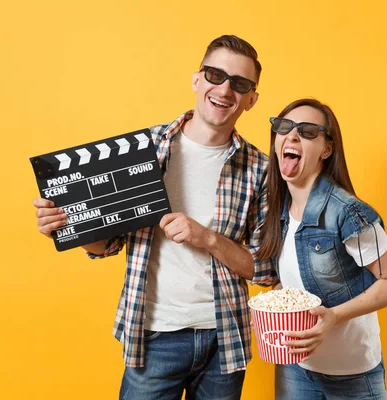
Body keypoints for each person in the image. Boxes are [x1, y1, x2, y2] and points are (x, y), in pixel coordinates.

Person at [33, 35, 276, 400]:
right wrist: (70, 226)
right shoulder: (144, 149)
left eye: (239, 84)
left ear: (251, 99)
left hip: (224, 337)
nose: (224, 89)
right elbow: (107, 244)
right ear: (197, 80)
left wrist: (207, 237)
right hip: (154, 334)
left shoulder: (260, 170)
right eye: (215, 75)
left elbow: (264, 268)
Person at [256, 98, 387, 400]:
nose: (293, 136)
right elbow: (292, 280)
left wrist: (334, 316)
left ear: (327, 149)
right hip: (296, 367)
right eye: (284, 127)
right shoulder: (278, 212)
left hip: (352, 374)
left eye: (308, 131)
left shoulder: (348, 213)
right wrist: (271, 311)